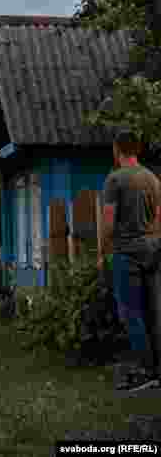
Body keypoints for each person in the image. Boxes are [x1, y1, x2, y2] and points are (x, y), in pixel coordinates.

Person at [102, 130, 161, 392]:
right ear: (137, 149)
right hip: (153, 250)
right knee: (153, 312)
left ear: (118, 150)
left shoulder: (115, 179)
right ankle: (156, 370)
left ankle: (146, 371)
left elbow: (108, 221)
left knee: (130, 312)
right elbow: (159, 217)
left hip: (126, 252)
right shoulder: (153, 178)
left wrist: (103, 251)